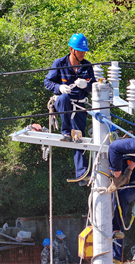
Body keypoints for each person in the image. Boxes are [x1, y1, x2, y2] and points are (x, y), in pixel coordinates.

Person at [44, 33, 96, 184]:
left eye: (84, 51)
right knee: (64, 98)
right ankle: (65, 131)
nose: (82, 53)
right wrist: (59, 87)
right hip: (64, 103)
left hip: (79, 106)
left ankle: (82, 174)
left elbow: (94, 87)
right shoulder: (60, 63)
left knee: (78, 139)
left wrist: (87, 85)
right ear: (71, 50)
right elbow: (47, 82)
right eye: (80, 51)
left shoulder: (87, 66)